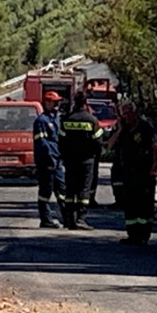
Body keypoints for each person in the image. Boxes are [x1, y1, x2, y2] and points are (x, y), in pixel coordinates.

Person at [108, 101, 157, 246]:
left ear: (135, 113)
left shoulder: (145, 127)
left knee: (144, 205)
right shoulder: (123, 130)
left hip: (144, 172)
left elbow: (155, 147)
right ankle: (132, 235)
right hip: (127, 173)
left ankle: (143, 235)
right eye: (124, 114)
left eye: (128, 113)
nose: (126, 116)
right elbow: (110, 146)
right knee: (130, 205)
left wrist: (154, 166)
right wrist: (119, 129)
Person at [59, 91, 103, 230]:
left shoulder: (66, 120)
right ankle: (81, 219)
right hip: (87, 160)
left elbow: (61, 141)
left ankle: (69, 219)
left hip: (70, 161)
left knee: (70, 189)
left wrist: (65, 156)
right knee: (84, 189)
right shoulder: (92, 120)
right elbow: (98, 142)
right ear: (85, 103)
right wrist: (94, 154)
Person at [33, 91, 67, 229]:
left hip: (57, 160)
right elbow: (42, 143)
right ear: (47, 103)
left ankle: (67, 218)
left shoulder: (56, 119)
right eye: (55, 102)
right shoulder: (41, 121)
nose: (57, 104)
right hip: (47, 162)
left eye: (58, 102)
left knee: (62, 190)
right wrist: (49, 159)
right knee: (45, 192)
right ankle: (46, 220)